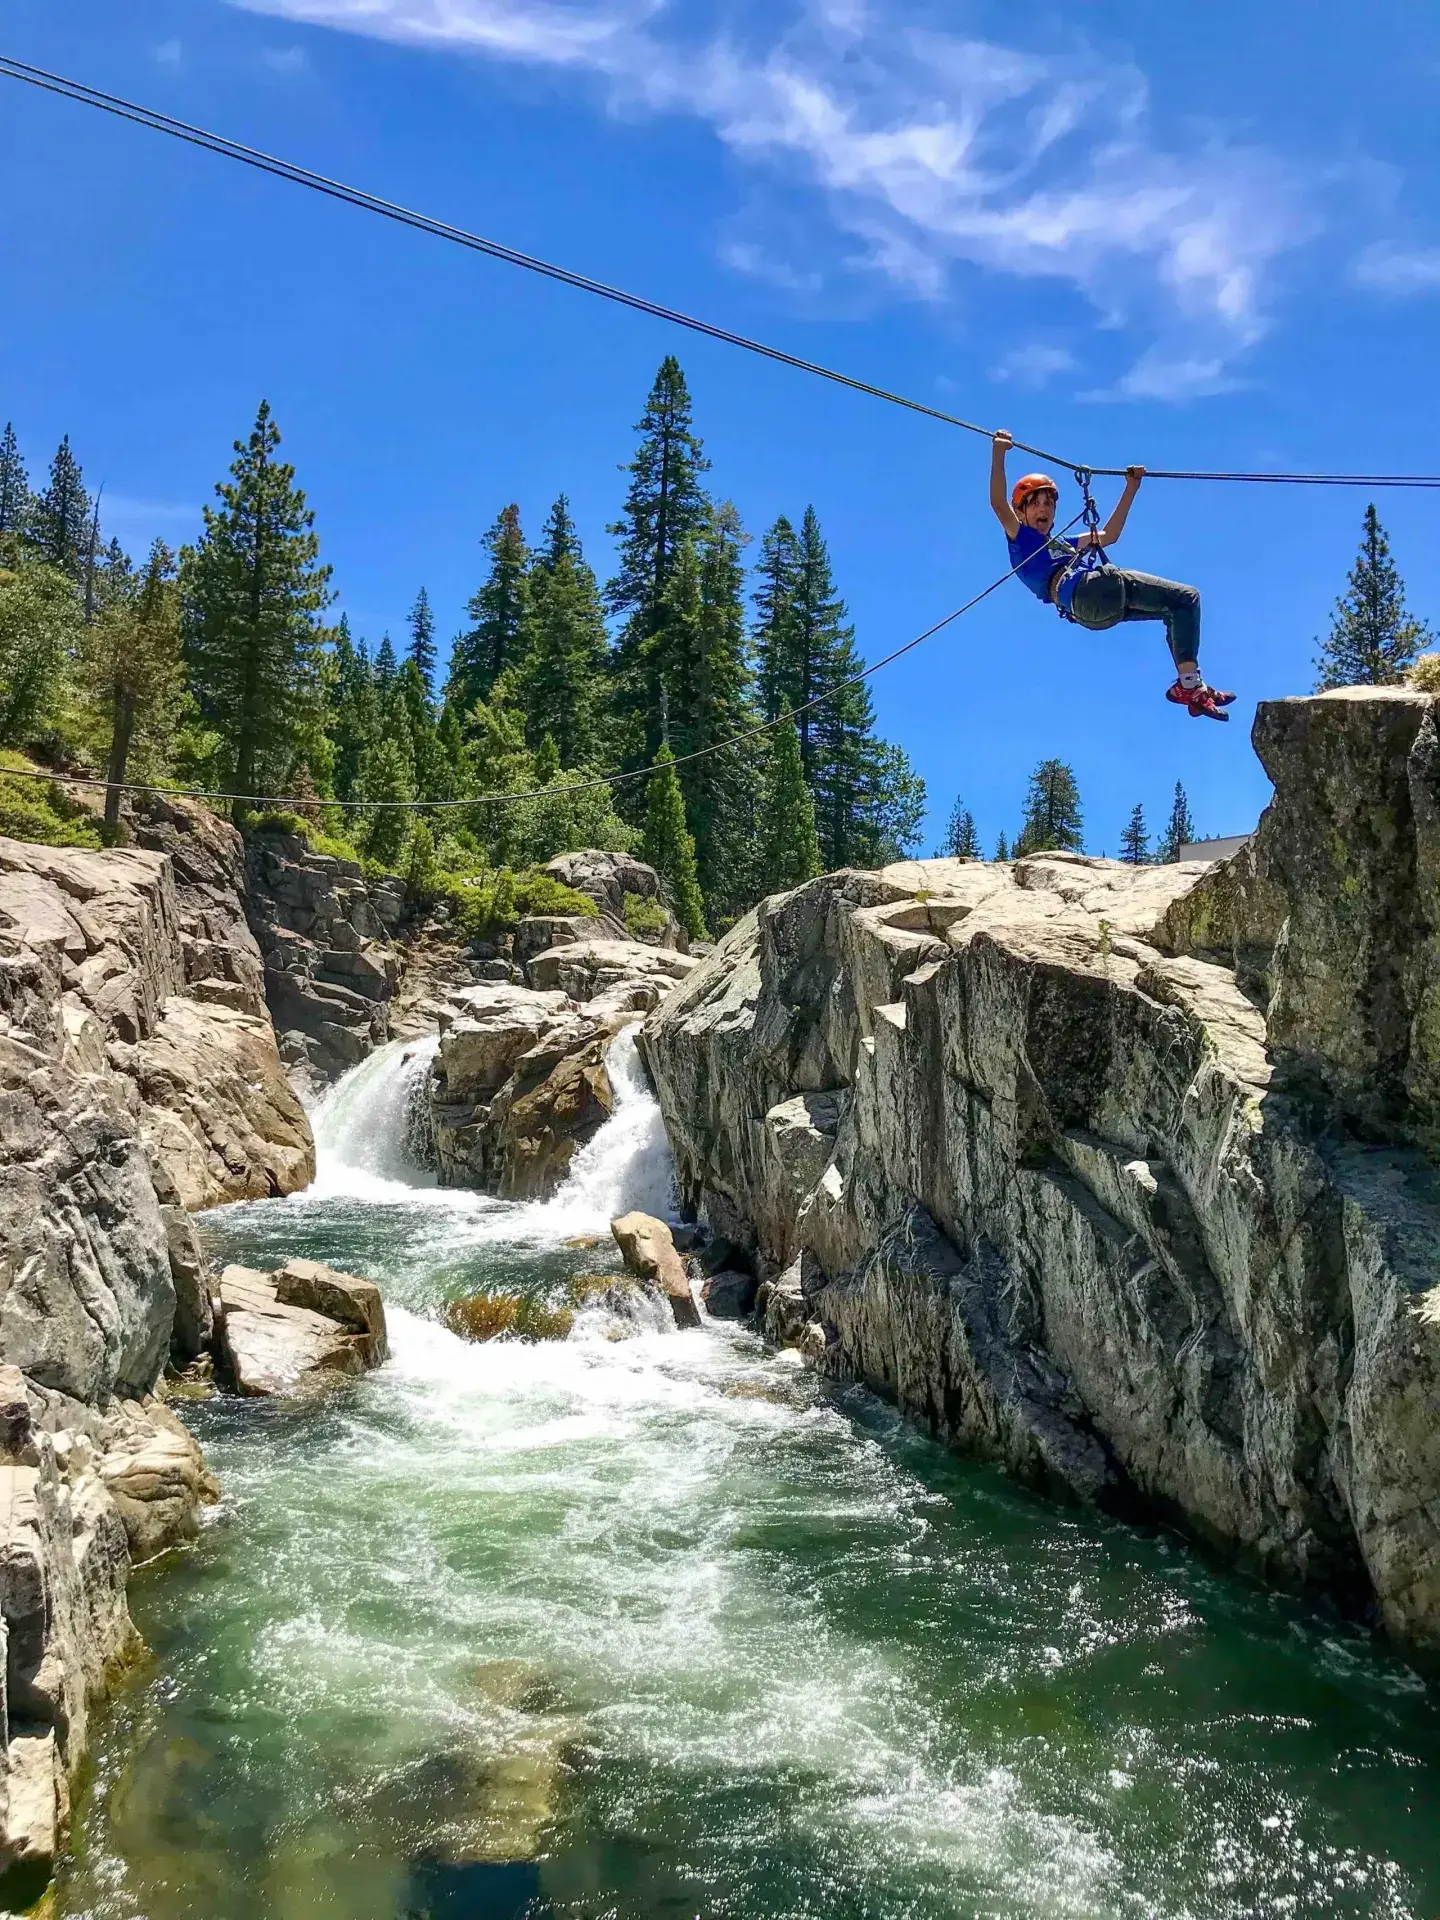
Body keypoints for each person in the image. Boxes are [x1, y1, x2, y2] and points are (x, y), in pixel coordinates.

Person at [989, 430, 1234, 721]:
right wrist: (999, 454)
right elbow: (997, 503)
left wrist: (1131, 488)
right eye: (1035, 503)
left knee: (1179, 606)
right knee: (1187, 596)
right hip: (1088, 593)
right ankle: (1190, 686)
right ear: (1021, 513)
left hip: (1094, 613)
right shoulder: (1021, 539)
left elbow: (1110, 535)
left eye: (1049, 503)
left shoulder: (1065, 544)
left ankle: (1191, 686)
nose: (1044, 508)